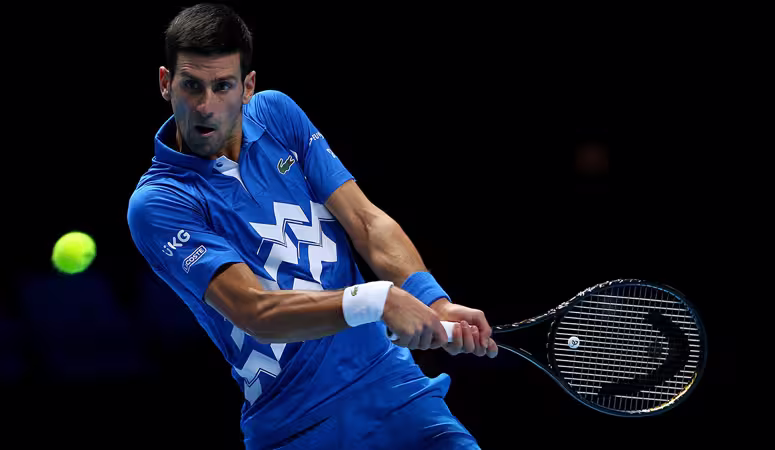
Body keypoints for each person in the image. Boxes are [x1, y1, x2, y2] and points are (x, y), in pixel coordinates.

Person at [126, 3, 498, 449]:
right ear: (165, 83)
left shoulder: (277, 115)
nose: (206, 107)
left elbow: (366, 221)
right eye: (192, 86)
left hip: (398, 390)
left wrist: (432, 300)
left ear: (247, 87)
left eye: (222, 86)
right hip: (296, 428)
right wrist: (376, 299)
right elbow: (255, 312)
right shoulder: (159, 202)